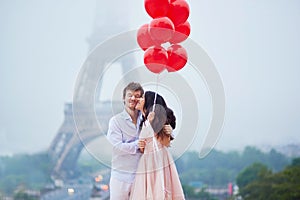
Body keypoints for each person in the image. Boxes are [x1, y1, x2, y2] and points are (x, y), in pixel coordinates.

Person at [106, 83, 173, 200]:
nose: (133, 98)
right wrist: (137, 144)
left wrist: (169, 130)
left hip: (143, 176)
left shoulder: (147, 118)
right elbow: (116, 146)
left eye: (137, 96)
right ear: (123, 98)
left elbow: (161, 137)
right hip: (122, 177)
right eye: (130, 95)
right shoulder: (115, 121)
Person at [130, 91, 185, 200]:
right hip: (147, 161)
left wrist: (164, 130)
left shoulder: (156, 120)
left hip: (158, 159)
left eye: (142, 98)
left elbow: (165, 142)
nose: (138, 99)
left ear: (148, 102)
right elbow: (143, 148)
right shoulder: (144, 121)